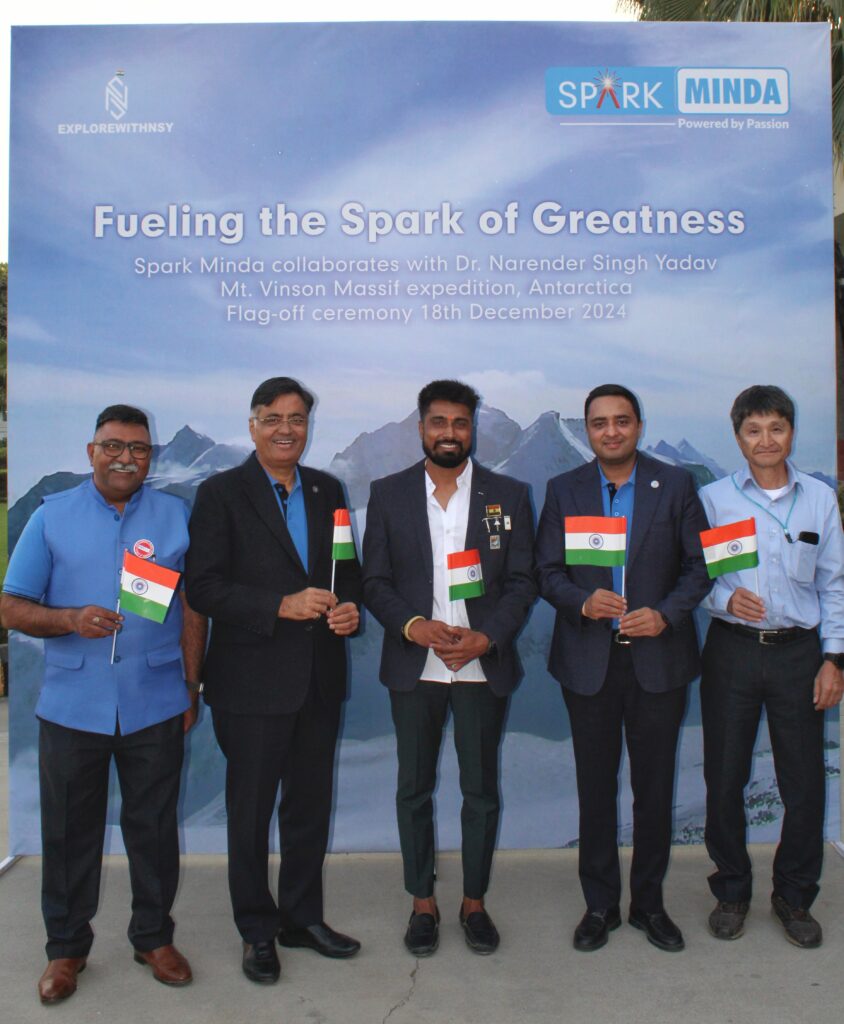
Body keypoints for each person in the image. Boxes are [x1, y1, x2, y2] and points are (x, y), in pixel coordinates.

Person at [0, 404, 205, 1004]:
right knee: (69, 833)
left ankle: (153, 938)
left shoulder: (176, 516)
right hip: (72, 705)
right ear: (92, 452)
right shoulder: (51, 516)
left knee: (154, 829)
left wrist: (192, 685)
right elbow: (10, 606)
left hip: (156, 701)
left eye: (138, 449)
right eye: (113, 446)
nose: (125, 458)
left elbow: (193, 607)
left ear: (150, 456)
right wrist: (68, 619)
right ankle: (66, 950)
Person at [184, 376, 361, 984]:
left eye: (297, 419)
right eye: (274, 418)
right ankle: (257, 930)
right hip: (250, 683)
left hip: (318, 679)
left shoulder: (327, 489)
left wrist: (349, 607)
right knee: (251, 813)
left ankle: (301, 919)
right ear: (253, 424)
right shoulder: (220, 493)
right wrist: (279, 606)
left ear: (309, 426)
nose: (287, 429)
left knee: (309, 808)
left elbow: (346, 570)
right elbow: (203, 586)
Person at [362, 379, 535, 956]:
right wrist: (413, 626)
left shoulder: (508, 496)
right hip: (417, 666)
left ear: (473, 428)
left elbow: (522, 582)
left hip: (481, 665)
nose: (449, 433)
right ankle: (422, 903)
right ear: (420, 428)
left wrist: (488, 637)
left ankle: (474, 903)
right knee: (413, 789)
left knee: (480, 791)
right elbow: (374, 581)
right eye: (438, 422)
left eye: (460, 423)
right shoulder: (387, 494)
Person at [535, 383, 711, 953]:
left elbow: (699, 568)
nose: (611, 431)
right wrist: (582, 602)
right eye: (599, 422)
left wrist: (665, 615)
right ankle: (600, 905)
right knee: (595, 788)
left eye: (621, 420)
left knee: (653, 790)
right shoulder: (564, 489)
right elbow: (546, 571)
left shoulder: (676, 484)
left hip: (658, 659)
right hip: (589, 660)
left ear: (638, 425)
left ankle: (649, 905)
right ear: (587, 430)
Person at [699, 385, 844, 948]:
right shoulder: (713, 499)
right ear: (738, 438)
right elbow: (693, 576)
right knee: (724, 777)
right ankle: (732, 890)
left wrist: (833, 659)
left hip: (799, 654)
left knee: (803, 782)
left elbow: (835, 584)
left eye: (776, 429)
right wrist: (723, 598)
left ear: (791, 433)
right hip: (732, 651)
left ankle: (794, 895)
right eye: (753, 431)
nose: (766, 441)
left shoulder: (819, 499)